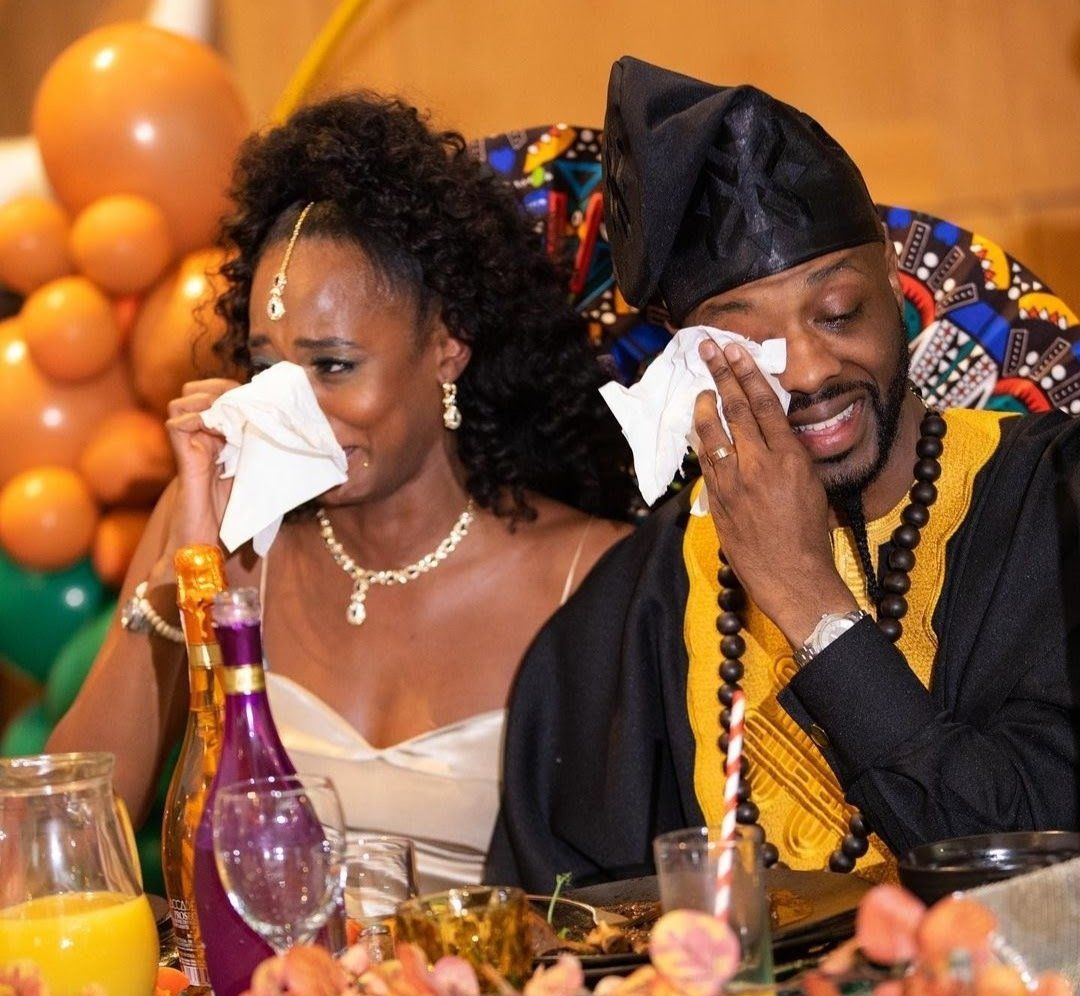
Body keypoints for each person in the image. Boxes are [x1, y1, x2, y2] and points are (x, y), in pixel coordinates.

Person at [487, 57, 1080, 891]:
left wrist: (808, 597)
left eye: (838, 314)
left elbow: (1034, 871)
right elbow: (561, 926)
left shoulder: (1053, 504)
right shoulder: (648, 597)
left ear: (888, 270)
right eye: (747, 347)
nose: (805, 369)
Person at [49, 91, 634, 891]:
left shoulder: (593, 579)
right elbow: (58, 850)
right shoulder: (215, 538)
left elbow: (635, 907)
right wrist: (181, 573)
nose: (291, 411)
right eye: (267, 369)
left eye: (332, 367)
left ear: (448, 346)